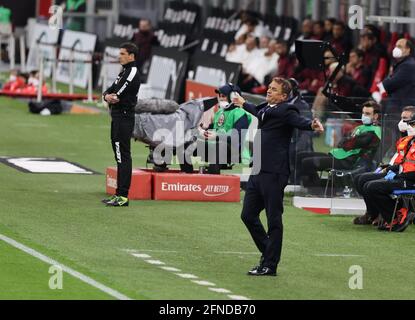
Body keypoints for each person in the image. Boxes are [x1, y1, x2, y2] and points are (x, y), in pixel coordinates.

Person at [232, 77, 324, 276]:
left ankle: (270, 265)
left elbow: (298, 121)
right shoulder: (266, 107)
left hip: (274, 172)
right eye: (269, 88)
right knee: (247, 215)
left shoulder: (286, 110)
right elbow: (258, 112)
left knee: (274, 219)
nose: (269, 91)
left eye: (274, 90)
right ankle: (269, 253)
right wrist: (243, 103)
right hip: (258, 170)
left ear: (283, 96)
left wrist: (311, 125)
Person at [353, 106, 415, 225]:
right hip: (400, 174)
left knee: (370, 185)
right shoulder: (409, 141)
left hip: (407, 178)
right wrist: (390, 169)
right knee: (362, 180)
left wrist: (396, 174)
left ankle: (394, 216)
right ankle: (375, 214)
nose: (404, 123)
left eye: (409, 121)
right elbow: (402, 161)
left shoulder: (409, 140)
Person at [299, 101, 381, 189]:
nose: (364, 116)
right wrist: (346, 141)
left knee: (306, 162)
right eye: (363, 113)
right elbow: (342, 142)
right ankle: (318, 186)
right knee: (301, 156)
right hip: (339, 156)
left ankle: (315, 189)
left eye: (367, 114)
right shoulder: (360, 127)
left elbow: (348, 144)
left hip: (348, 161)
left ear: (375, 116)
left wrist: (346, 141)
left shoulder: (374, 131)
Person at [101, 43, 141, 207]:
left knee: (123, 155)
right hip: (117, 117)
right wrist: (106, 97)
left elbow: (117, 93)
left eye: (123, 54)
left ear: (131, 56)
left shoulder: (131, 72)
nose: (120, 56)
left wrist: (110, 96)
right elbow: (108, 91)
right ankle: (118, 194)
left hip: (124, 117)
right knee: (119, 155)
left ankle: (123, 196)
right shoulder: (123, 71)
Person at [180, 84, 251, 174]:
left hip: (232, 150)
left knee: (221, 145)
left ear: (233, 97)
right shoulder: (220, 112)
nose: (220, 98)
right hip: (215, 145)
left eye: (223, 96)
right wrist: (202, 130)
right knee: (186, 143)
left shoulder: (241, 114)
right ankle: (187, 176)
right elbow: (214, 128)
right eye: (220, 96)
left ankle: (213, 180)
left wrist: (217, 136)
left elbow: (236, 137)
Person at [375, 38, 415, 113]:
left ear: (408, 50)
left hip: (402, 107)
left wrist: (383, 83)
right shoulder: (401, 64)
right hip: (399, 106)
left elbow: (391, 84)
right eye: (395, 46)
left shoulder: (408, 65)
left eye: (399, 46)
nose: (396, 48)